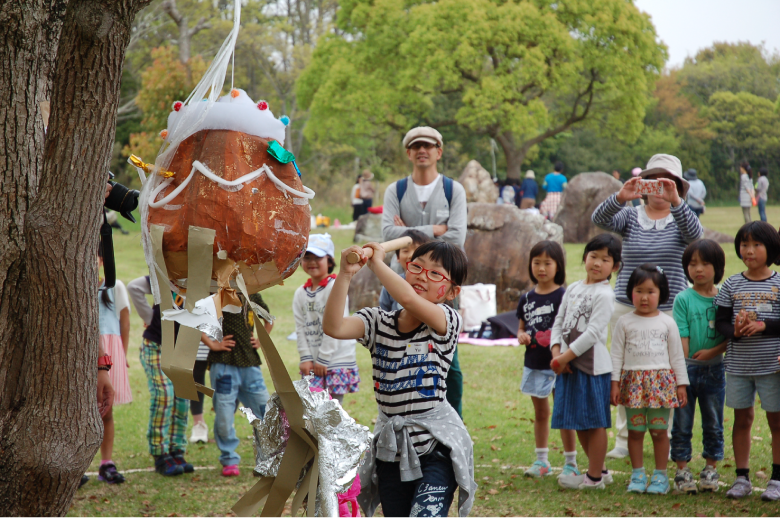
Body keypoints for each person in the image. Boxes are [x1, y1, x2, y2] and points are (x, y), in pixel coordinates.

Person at [322, 240, 476, 517]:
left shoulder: (446, 321)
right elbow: (334, 326)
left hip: (435, 448)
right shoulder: (377, 322)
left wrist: (376, 264)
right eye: (416, 267)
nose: (421, 276)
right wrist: (344, 274)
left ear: (452, 291)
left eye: (435, 273)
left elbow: (407, 299)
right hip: (391, 451)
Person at [592, 153, 703, 459]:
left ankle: (662, 437)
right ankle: (625, 439)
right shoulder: (630, 216)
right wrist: (620, 197)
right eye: (653, 180)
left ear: (679, 186)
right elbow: (599, 220)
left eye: (667, 182)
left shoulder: (682, 217)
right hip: (627, 307)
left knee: (664, 374)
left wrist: (677, 203)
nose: (659, 188)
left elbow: (696, 236)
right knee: (627, 371)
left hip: (669, 310)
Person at [382, 126, 468, 417]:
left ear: (438, 151)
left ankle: (452, 420)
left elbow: (456, 238)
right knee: (399, 350)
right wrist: (435, 231)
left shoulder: (453, 190)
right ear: (408, 152)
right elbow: (386, 233)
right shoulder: (396, 190)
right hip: (404, 282)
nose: (422, 150)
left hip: (440, 288)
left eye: (428, 146)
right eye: (416, 145)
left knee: (448, 362)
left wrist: (408, 234)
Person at [714, 221, 780, 500]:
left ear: (771, 248)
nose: (749, 251)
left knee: (776, 421)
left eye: (756, 245)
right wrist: (736, 332)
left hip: (772, 366)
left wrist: (764, 326)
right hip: (739, 366)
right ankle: (741, 477)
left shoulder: (778, 282)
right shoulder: (731, 283)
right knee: (742, 419)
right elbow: (720, 323)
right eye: (744, 244)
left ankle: (777, 480)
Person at [551, 234, 622, 490]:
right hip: (567, 366)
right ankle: (600, 471)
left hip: (592, 368)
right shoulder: (573, 288)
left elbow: (593, 333)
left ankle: (593, 480)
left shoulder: (604, 294)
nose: (597, 263)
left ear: (614, 267)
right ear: (584, 258)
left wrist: (563, 358)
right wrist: (556, 354)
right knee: (577, 420)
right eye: (593, 256)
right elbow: (559, 322)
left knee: (594, 421)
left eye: (605, 259)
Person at [611, 265, 689, 495]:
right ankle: (637, 474)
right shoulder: (624, 322)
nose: (644, 297)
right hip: (632, 385)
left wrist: (681, 385)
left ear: (661, 293)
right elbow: (616, 355)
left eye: (651, 291)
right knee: (635, 431)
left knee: (659, 431)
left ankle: (660, 476)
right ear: (630, 292)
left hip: (661, 385)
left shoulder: (668, 322)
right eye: (639, 290)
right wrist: (614, 383)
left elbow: (677, 356)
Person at [515, 241, 579, 479]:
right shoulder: (527, 298)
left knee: (563, 412)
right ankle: (541, 461)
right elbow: (521, 327)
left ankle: (571, 462)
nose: (541, 268)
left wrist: (566, 357)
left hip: (560, 365)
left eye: (547, 263)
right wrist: (521, 335)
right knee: (541, 413)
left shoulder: (564, 295)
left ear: (558, 266)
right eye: (536, 263)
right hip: (534, 363)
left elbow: (571, 329)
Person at [671, 239, 727, 494]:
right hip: (686, 369)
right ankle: (682, 471)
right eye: (692, 264)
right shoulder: (683, 298)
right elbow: (681, 336)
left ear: (717, 267)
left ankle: (710, 470)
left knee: (713, 422)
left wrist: (711, 353)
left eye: (705, 263)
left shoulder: (724, 297)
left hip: (715, 368)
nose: (699, 269)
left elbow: (729, 337)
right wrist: (682, 372)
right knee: (681, 423)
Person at [127, 276, 193, 476]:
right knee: (164, 395)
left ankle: (176, 450)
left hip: (180, 350)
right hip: (156, 347)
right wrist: (150, 319)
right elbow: (133, 287)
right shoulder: (163, 276)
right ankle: (160, 453)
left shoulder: (200, 280)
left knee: (182, 399)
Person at [203, 292, 272, 477]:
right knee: (224, 416)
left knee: (265, 412)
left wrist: (262, 339)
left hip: (250, 365)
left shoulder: (252, 295)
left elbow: (269, 318)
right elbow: (195, 322)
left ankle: (267, 459)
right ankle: (229, 458)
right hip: (223, 366)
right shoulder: (215, 296)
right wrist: (212, 344)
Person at [293, 233, 360, 404]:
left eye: (318, 257)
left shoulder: (335, 288)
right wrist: (305, 357)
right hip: (314, 362)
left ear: (329, 261)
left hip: (336, 359)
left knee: (334, 410)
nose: (312, 262)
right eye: (306, 257)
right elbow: (300, 328)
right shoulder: (300, 293)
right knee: (313, 408)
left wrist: (323, 358)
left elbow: (338, 324)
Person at [95, 249, 132, 484]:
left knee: (106, 410)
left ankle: (106, 462)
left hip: (110, 350)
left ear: (102, 259)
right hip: (83, 350)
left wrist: (123, 354)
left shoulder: (114, 286)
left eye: (96, 257)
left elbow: (125, 320)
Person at [379, 229, 432, 313]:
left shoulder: (433, 285)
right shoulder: (390, 285)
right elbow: (383, 313)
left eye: (417, 250)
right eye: (405, 251)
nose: (411, 255)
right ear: (397, 257)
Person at [188, 336, 211, 444]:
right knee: (196, 378)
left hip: (224, 334)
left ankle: (226, 424)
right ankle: (198, 424)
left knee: (228, 378)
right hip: (196, 336)